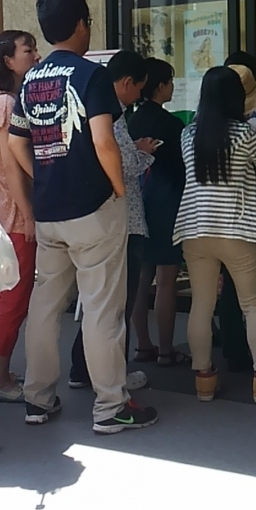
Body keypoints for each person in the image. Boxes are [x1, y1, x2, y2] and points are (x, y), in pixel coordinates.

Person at [9, 0, 157, 433]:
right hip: (93, 208)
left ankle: (37, 399)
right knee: (101, 308)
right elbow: (103, 140)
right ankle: (111, 405)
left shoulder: (30, 80)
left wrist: (44, 176)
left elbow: (16, 142)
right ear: (80, 25)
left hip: (49, 211)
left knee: (45, 306)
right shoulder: (92, 76)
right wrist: (118, 188)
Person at [174, 65, 256, 404]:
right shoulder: (247, 134)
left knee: (201, 305)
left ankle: (204, 380)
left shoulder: (188, 134)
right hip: (238, 228)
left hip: (194, 228)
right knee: (254, 305)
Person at [69, 50, 158, 390]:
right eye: (139, 88)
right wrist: (144, 154)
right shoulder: (113, 114)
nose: (139, 95)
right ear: (127, 83)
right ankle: (111, 376)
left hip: (91, 215)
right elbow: (120, 163)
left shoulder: (87, 108)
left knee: (97, 301)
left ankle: (82, 367)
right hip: (123, 219)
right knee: (116, 303)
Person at [0, 30, 39, 402]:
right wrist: (28, 213)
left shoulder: (1, 101)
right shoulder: (6, 103)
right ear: (8, 61)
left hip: (6, 209)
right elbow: (11, 165)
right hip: (14, 211)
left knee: (4, 295)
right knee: (15, 297)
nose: (35, 55)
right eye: (27, 50)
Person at [128, 59, 188, 367]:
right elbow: (183, 168)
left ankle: (143, 345)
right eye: (170, 82)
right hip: (167, 201)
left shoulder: (129, 121)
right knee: (166, 279)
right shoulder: (173, 125)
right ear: (161, 86)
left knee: (141, 278)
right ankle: (166, 349)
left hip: (137, 202)